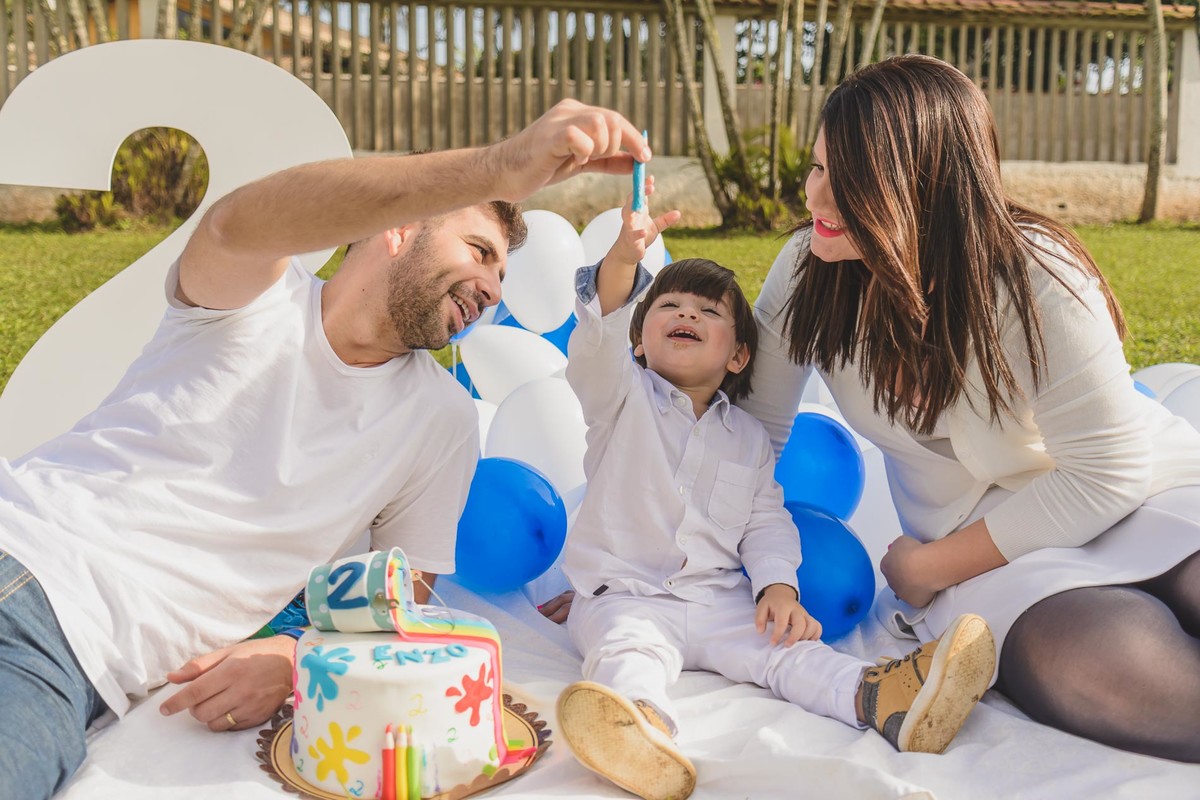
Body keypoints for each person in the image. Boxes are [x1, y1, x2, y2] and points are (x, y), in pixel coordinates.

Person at [0, 99, 654, 800]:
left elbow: (400, 597)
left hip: (73, 663)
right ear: (396, 228)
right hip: (28, 556)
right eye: (480, 252)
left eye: (502, 275)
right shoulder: (253, 299)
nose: (494, 289)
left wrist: (294, 653)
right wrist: (498, 167)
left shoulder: (442, 418)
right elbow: (233, 221)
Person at [740, 54, 1200, 763]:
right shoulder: (808, 270)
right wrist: (645, 574)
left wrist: (928, 570)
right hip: (995, 552)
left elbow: (1107, 474)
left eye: (848, 181)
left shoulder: (1037, 277)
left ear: (923, 188)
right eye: (819, 167)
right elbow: (749, 440)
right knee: (1105, 666)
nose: (816, 198)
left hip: (1141, 491)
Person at [554, 183, 997, 800]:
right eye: (670, 307)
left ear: (738, 357)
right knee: (627, 650)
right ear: (638, 340)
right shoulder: (619, 398)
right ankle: (639, 729)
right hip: (624, 592)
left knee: (787, 651)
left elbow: (765, 522)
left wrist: (778, 588)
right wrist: (625, 262)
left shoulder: (748, 438)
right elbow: (595, 342)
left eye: (708, 313)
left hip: (716, 596)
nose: (687, 315)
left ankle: (886, 697)